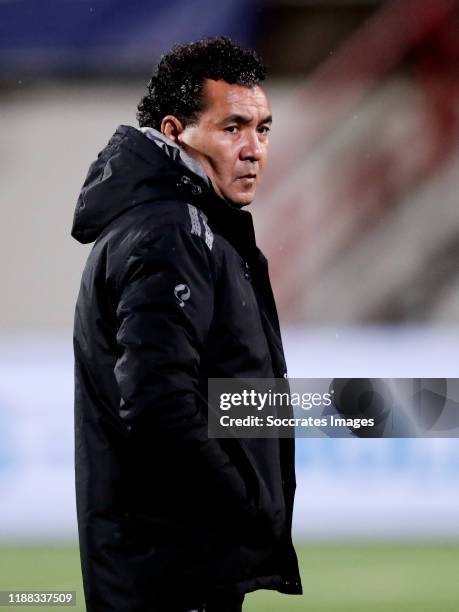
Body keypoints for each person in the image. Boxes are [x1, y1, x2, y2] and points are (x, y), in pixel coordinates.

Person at [71, 36, 302, 612]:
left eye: (264, 129)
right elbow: (158, 403)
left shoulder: (191, 225)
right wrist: (243, 505)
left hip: (179, 566)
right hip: (170, 574)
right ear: (175, 132)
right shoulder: (171, 231)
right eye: (233, 128)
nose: (254, 149)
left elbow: (218, 391)